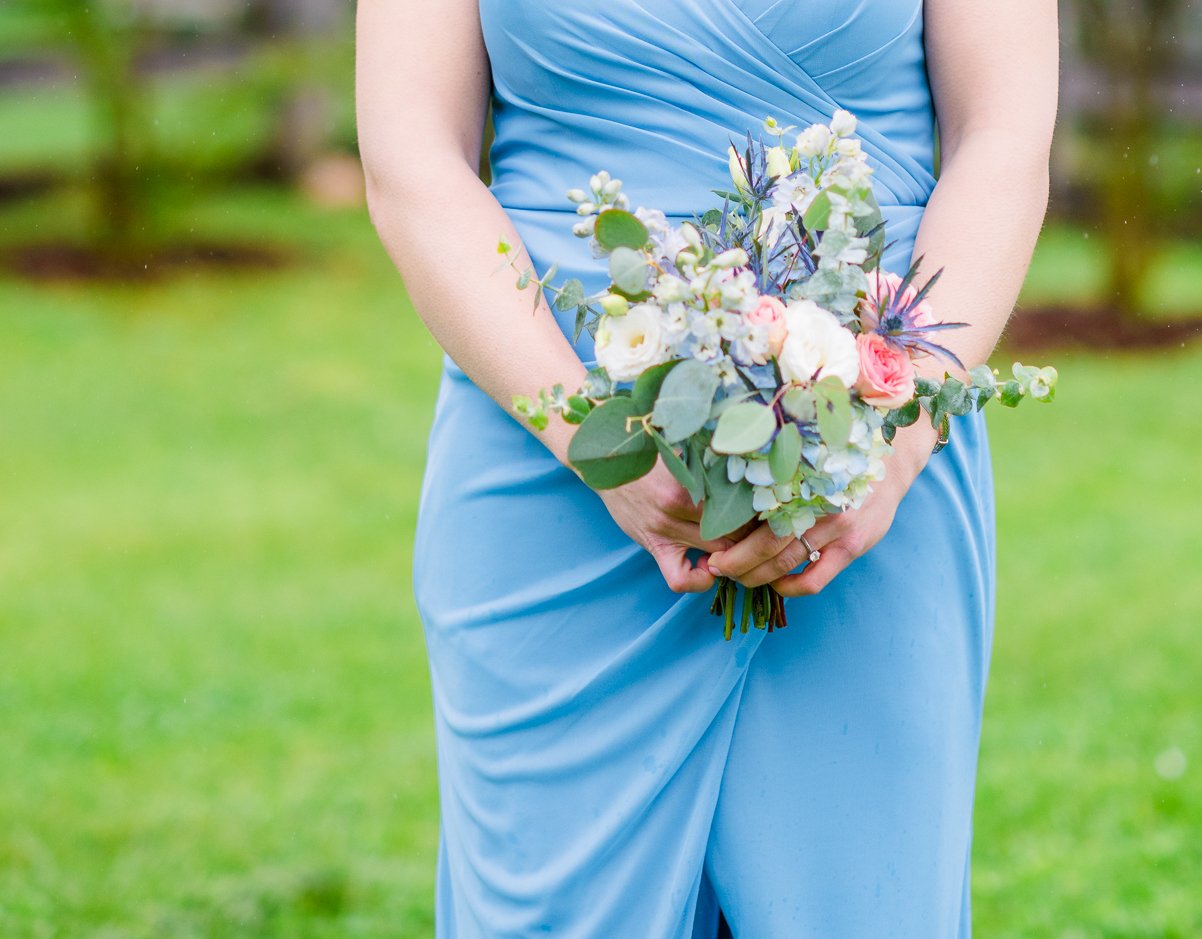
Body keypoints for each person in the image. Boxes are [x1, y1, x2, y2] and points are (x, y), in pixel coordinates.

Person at [355, 0, 1057, 935]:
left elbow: (1002, 141)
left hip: (865, 461)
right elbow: (410, 161)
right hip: (547, 456)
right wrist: (591, 442)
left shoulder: (886, 453)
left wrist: (899, 435)